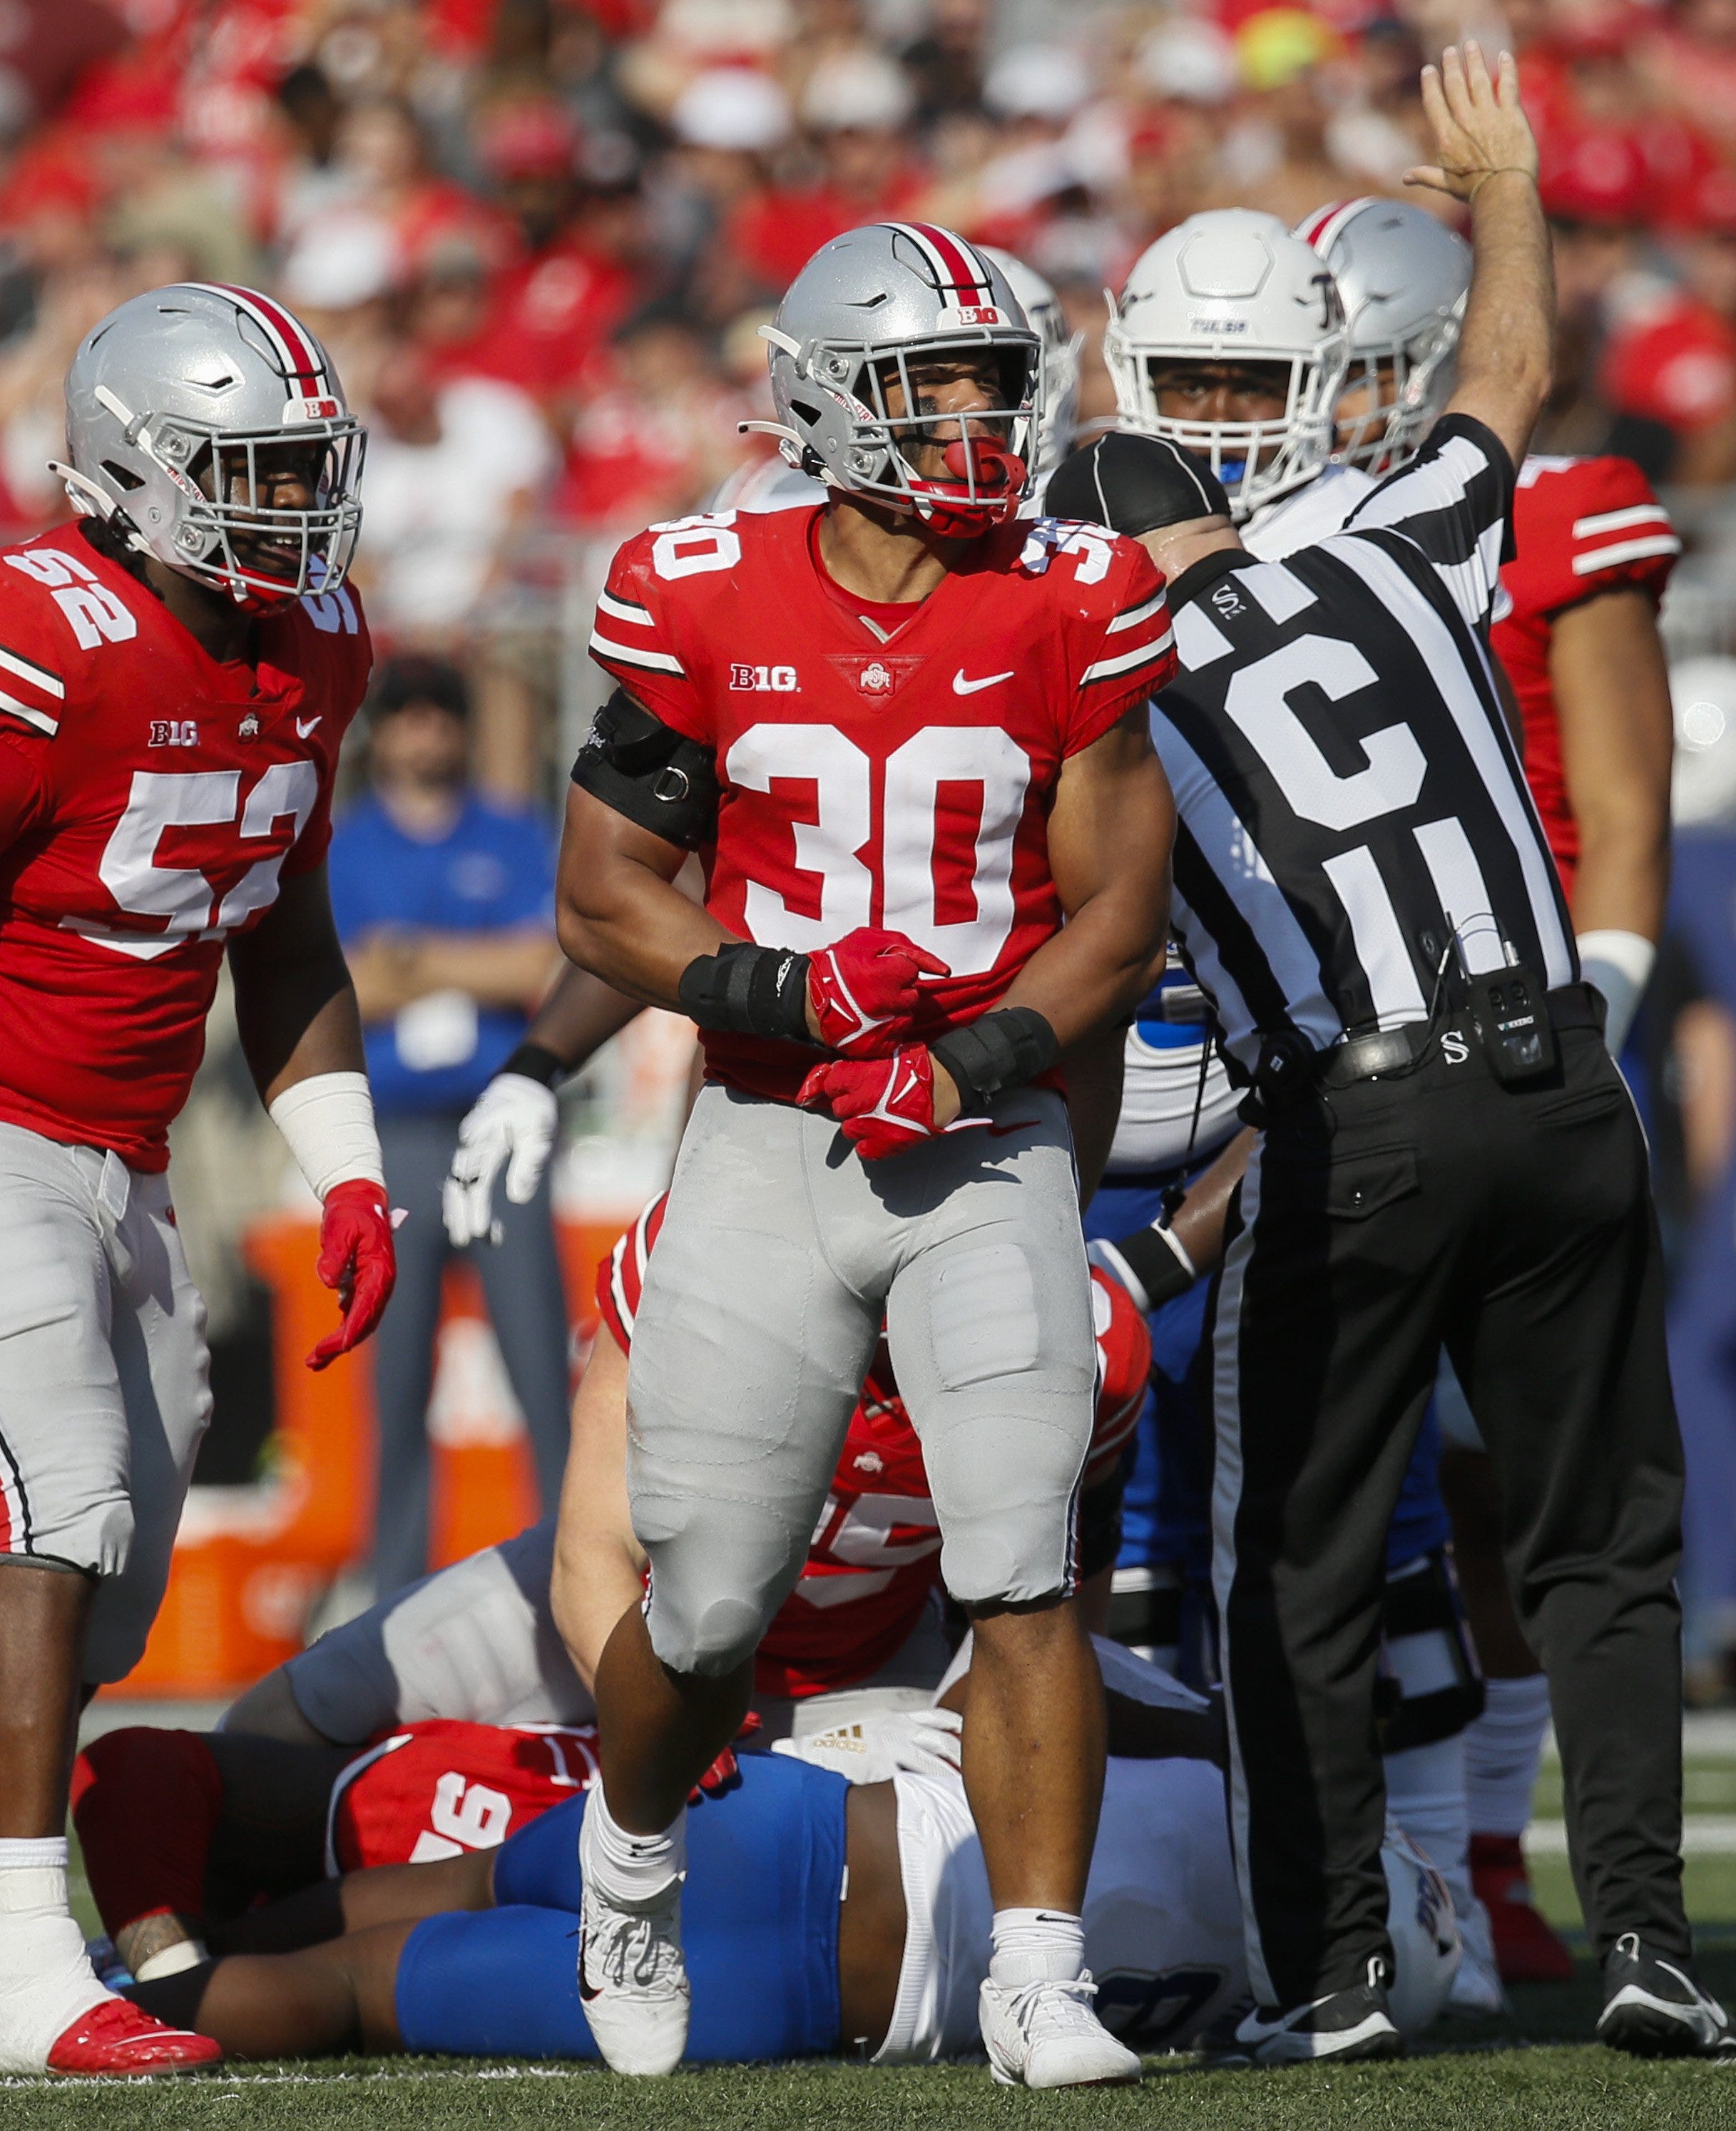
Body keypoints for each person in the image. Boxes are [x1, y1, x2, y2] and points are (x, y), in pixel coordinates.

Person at [1053, 45, 1724, 2064]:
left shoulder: (1097, 635)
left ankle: (1331, 1963)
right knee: (1601, 1543)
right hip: (1558, 1085)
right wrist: (1505, 186)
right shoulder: (1412, 525)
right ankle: (1644, 1940)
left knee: (1293, 1563)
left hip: (1356, 1120)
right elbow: (1504, 374)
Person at [557, 220, 1178, 2085]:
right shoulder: (697, 583)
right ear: (828, 396)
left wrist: (973, 1048)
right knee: (710, 1592)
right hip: (762, 1124)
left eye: (999, 377)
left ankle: (1040, 1971)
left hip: (984, 1136)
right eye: (938, 383)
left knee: (1019, 1563)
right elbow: (603, 899)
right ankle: (628, 1855)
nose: (982, 417)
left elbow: (1119, 907)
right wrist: (796, 992)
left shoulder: (1072, 589)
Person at [0, 281, 397, 2074]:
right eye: (247, 470)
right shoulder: (40, 635)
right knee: (59, 1511)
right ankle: (22, 1975)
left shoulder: (316, 639)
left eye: (303, 467)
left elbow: (286, 924)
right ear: (128, 474)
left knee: (122, 1574)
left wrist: (347, 1172)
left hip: (131, 1160)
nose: (289, 506)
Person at [73, 1647, 1461, 2069]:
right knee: (363, 2001)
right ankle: (129, 2008)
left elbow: (1003, 1686)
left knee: (439, 1888)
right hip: (804, 2007)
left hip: (778, 1823)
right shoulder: (1256, 2014)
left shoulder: (1233, 1763)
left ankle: (105, 1977)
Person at [223, 1193, 1150, 1781]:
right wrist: (677, 1738)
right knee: (268, 1730)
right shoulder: (710, 1254)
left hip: (858, 1672)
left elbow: (1060, 1615)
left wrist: (968, 1731)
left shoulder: (1081, 1345)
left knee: (969, 1817)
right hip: (627, 1613)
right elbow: (590, 1556)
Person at [327, 653, 566, 1595]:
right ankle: (390, 1595)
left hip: (495, 1126)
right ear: (380, 731)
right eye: (406, 716)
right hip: (395, 1134)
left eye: (439, 715)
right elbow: (344, 988)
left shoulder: (511, 833)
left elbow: (540, 971)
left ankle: (566, 1576)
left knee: (539, 1364)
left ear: (461, 728)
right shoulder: (343, 843)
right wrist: (466, 962)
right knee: (391, 1380)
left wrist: (415, 959)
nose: (423, 733)